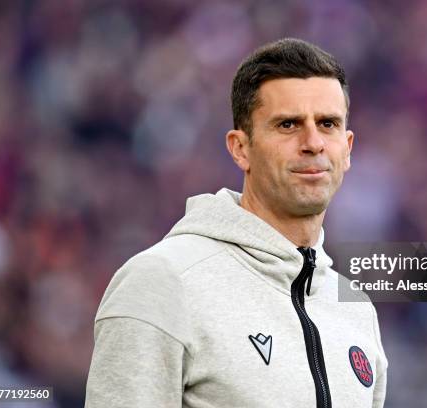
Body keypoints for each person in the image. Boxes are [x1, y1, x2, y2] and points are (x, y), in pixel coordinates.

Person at [85, 38, 387, 408]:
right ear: (240, 148)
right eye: (288, 124)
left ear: (348, 147)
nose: (313, 143)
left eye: (328, 124)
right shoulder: (162, 281)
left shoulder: (355, 309)